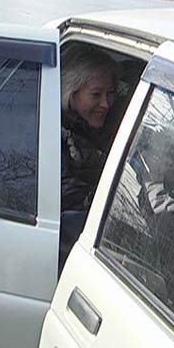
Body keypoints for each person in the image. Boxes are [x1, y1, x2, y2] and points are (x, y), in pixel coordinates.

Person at [59, 46, 117, 270]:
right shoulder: (55, 139)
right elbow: (70, 212)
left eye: (111, 93)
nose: (106, 104)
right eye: (96, 94)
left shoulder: (102, 134)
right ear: (70, 94)